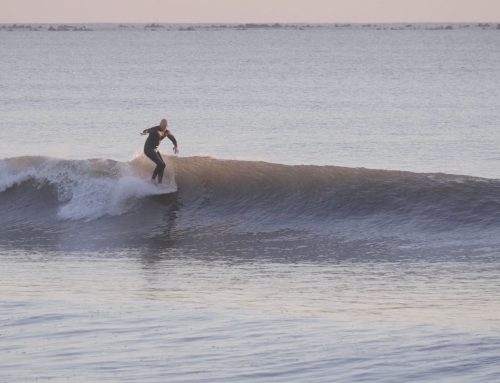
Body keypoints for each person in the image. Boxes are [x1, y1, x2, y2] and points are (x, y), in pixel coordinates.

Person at [141, 118, 178, 184]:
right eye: (163, 125)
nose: (164, 126)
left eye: (166, 125)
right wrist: (145, 132)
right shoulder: (155, 129)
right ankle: (152, 180)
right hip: (148, 149)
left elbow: (173, 138)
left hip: (155, 149)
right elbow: (148, 130)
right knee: (161, 164)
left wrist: (175, 146)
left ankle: (159, 182)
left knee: (162, 165)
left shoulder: (166, 132)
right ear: (160, 124)